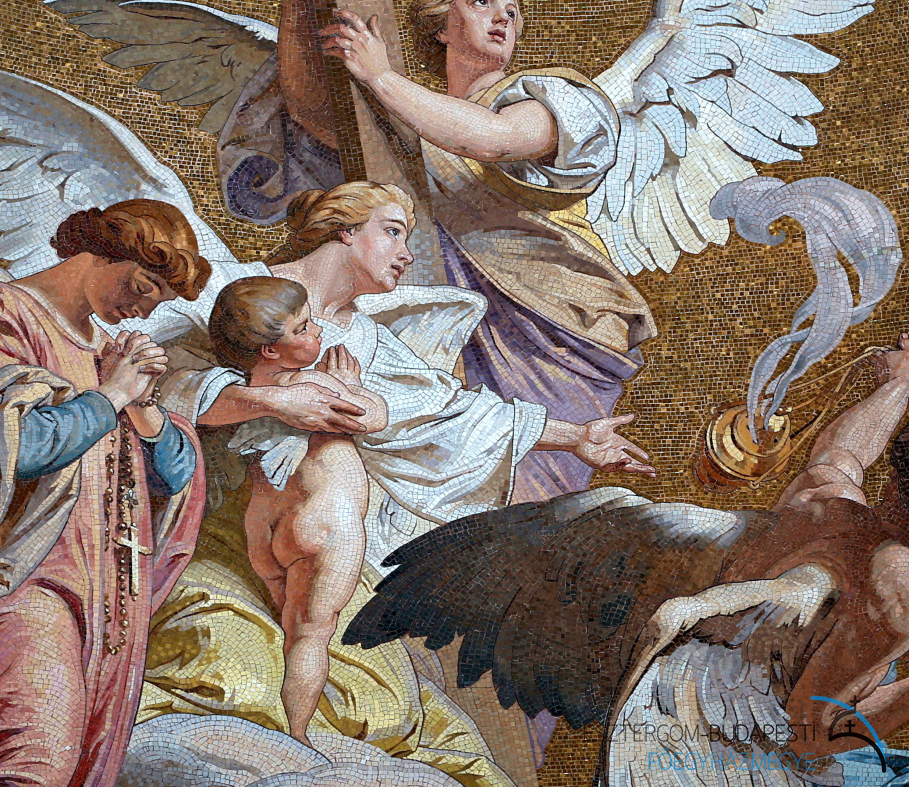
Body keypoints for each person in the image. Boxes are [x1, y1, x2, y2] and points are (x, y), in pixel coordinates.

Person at [143, 179, 655, 787]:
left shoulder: (367, 340)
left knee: (381, 703)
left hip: (319, 539)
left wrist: (575, 437)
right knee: (227, 665)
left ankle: (305, 744)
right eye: (392, 232)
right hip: (215, 537)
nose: (406, 253)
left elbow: (447, 412)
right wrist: (269, 401)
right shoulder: (237, 291)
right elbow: (161, 384)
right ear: (344, 231)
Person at [218, 0, 657, 509]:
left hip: (552, 324)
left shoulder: (545, 98)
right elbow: (312, 112)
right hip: (441, 313)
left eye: (512, 12)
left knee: (533, 504)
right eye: (482, 2)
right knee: (447, 482)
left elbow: (494, 140)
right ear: (442, 27)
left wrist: (379, 75)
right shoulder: (407, 115)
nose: (503, 19)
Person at [346, 334, 909, 786]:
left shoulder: (829, 505)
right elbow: (812, 739)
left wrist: (902, 381)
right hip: (717, 753)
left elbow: (844, 455)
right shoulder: (897, 586)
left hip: (667, 696)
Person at [0, 199, 208, 787]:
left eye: (158, 301)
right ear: (101, 252)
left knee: (78, 766)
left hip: (107, 597)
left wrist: (143, 405)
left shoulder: (104, 354)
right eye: (142, 286)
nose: (142, 309)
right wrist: (111, 394)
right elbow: (21, 445)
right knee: (36, 757)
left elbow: (172, 477)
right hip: (27, 579)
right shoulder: (11, 316)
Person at [207, 276, 386, 747]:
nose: (317, 331)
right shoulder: (310, 384)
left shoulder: (246, 392)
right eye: (304, 327)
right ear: (271, 349)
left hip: (263, 534)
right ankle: (299, 737)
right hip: (321, 524)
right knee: (308, 635)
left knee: (285, 629)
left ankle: (279, 723)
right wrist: (352, 385)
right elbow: (373, 417)